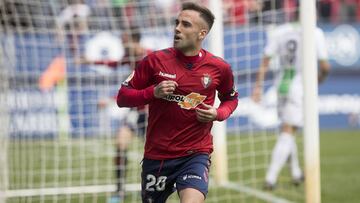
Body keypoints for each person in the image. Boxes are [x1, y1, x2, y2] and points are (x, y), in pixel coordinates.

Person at [117, 2, 238, 203]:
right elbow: (122, 97)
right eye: (177, 22)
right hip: (158, 157)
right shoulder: (154, 61)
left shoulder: (219, 68)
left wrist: (218, 113)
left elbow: (231, 99)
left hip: (195, 155)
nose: (177, 28)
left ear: (202, 34)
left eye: (186, 24)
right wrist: (153, 92)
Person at [252, 8, 331, 190]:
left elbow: (265, 60)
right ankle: (270, 177)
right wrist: (320, 79)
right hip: (300, 87)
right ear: (311, 15)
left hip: (281, 85)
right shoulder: (315, 32)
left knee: (286, 130)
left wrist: (258, 87)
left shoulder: (280, 31)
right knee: (288, 131)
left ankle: (295, 172)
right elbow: (325, 66)